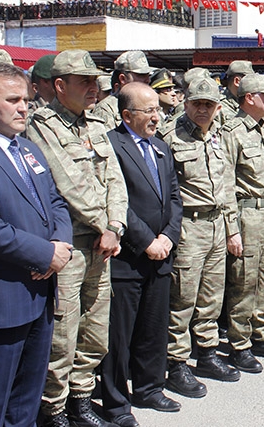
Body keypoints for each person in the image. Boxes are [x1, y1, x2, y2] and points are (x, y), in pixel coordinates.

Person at [27, 50, 128, 427]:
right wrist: (105, 224)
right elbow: (67, 182)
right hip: (70, 244)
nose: (94, 88)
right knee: (63, 335)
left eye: (95, 81)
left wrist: (116, 225)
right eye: (84, 81)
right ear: (59, 85)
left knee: (94, 330)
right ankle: (52, 409)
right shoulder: (43, 124)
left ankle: (80, 401)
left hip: (103, 242)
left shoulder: (95, 125)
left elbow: (115, 180)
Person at [0, 62, 73, 427]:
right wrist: (43, 254)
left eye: (26, 98)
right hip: (2, 300)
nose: (24, 107)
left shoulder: (28, 149)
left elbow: (55, 202)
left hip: (41, 293)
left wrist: (59, 245)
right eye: (12, 100)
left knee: (26, 400)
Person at [101, 83, 183, 427]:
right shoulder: (111, 145)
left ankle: (150, 387)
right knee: (119, 336)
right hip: (129, 257)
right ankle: (116, 403)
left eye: (157, 110)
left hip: (161, 254)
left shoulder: (161, 147)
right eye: (148, 110)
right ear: (126, 115)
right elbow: (118, 202)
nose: (157, 115)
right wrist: (146, 240)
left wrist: (167, 236)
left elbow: (175, 199)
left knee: (154, 327)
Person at [162, 77, 240, 399]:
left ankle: (206, 355)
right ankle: (176, 363)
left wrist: (232, 228)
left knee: (211, 297)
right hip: (189, 227)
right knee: (182, 299)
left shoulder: (220, 135)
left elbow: (227, 184)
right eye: (197, 104)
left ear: (217, 107)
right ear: (186, 103)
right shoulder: (170, 136)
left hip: (217, 226)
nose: (203, 110)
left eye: (209, 105)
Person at [222, 73, 264, 373]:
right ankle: (240, 344)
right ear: (249, 97)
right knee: (244, 282)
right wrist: (232, 228)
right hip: (247, 214)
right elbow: (224, 182)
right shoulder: (233, 131)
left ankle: (261, 334)